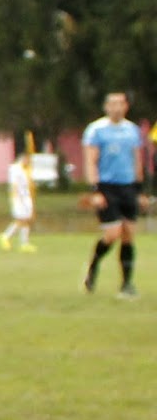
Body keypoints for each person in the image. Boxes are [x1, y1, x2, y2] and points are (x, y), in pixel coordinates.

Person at [81, 91, 145, 297]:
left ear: (126, 106)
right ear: (106, 107)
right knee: (112, 234)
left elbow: (137, 160)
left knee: (128, 235)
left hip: (128, 187)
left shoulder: (133, 130)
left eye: (120, 104)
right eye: (112, 104)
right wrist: (95, 190)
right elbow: (91, 161)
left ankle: (126, 284)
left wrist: (139, 191)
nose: (116, 108)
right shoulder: (96, 130)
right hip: (107, 187)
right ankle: (93, 265)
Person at [0, 150, 36, 252]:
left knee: (26, 220)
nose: (29, 161)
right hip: (19, 198)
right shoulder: (16, 169)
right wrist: (18, 198)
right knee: (21, 220)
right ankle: (5, 236)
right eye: (27, 159)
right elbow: (15, 185)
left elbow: (29, 183)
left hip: (26, 197)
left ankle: (24, 243)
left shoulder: (27, 169)